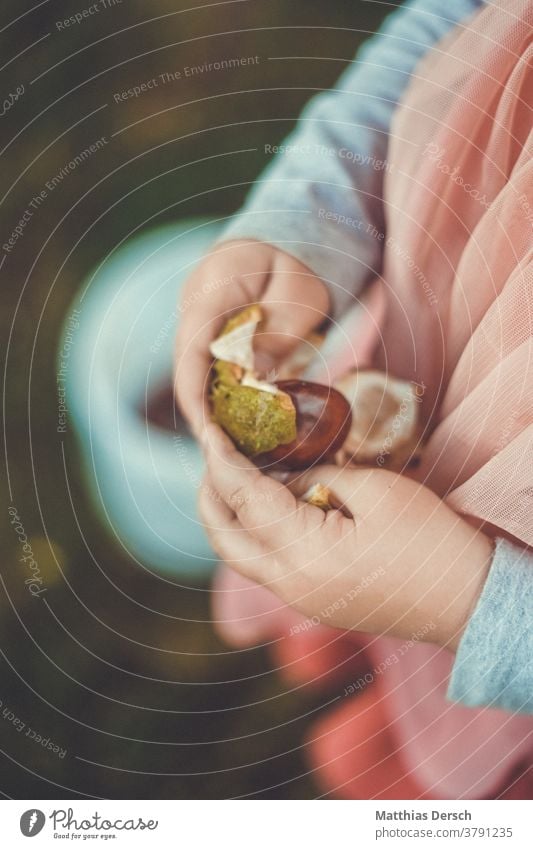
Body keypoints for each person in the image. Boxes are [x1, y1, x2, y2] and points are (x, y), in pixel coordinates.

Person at [175, 0, 533, 798]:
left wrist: (474, 608)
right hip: (421, 349)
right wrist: (301, 223)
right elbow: (450, 17)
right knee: (337, 620)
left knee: (389, 762)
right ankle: (352, 651)